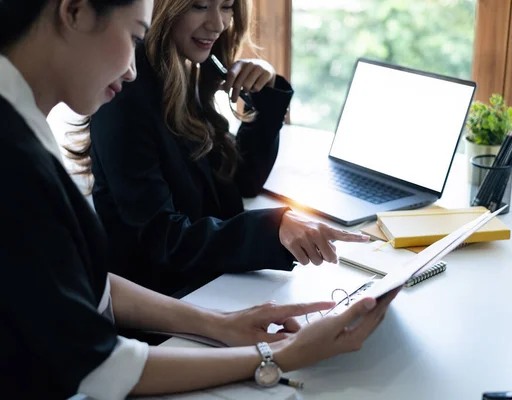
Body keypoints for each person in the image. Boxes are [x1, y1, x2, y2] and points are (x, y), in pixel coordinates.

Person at [0, 0, 399, 398]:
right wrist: (283, 353)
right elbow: (98, 365)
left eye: (226, 8)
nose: (133, 69)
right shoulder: (17, 158)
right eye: (135, 36)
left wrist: (218, 324)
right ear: (75, 12)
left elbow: (92, 284)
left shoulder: (25, 128)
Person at [79, 0, 370, 294]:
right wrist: (272, 229)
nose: (218, 24)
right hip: (167, 302)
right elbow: (162, 239)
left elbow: (243, 181)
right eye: (200, 5)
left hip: (213, 283)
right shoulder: (126, 94)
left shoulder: (187, 73)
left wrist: (264, 92)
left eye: (228, 6)